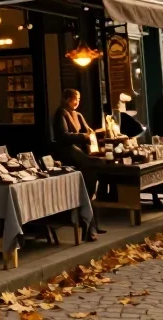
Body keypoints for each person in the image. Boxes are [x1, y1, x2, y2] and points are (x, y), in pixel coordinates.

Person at [52, 88, 105, 241]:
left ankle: (92, 223)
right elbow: (62, 135)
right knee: (91, 174)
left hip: (82, 153)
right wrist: (82, 136)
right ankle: (89, 224)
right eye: (75, 99)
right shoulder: (61, 113)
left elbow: (87, 131)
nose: (77, 102)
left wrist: (91, 134)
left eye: (79, 99)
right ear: (67, 99)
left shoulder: (78, 115)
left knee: (92, 180)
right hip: (69, 154)